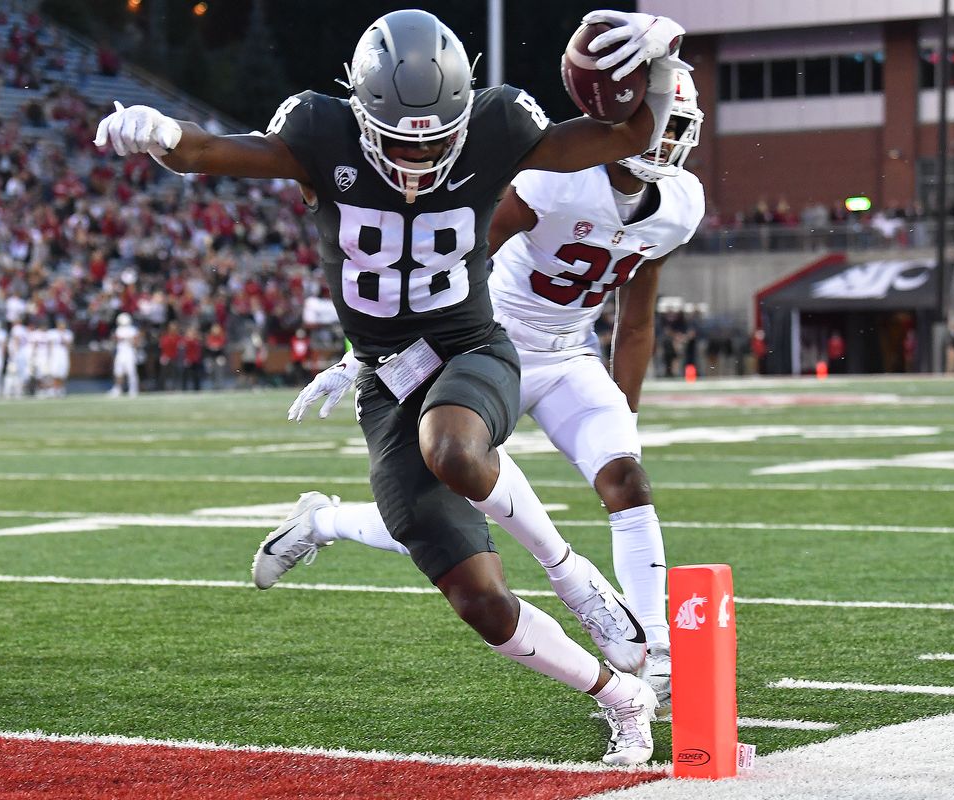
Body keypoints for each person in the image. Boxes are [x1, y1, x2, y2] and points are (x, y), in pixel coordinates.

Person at [95, 8, 686, 765]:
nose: (420, 162)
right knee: (481, 603)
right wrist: (159, 132)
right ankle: (622, 696)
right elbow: (205, 150)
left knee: (454, 447)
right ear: (362, 112)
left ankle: (577, 583)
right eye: (404, 144)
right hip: (387, 377)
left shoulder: (500, 123)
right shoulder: (319, 130)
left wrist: (663, 57)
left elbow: (632, 137)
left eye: (439, 141)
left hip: (472, 346)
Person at [286, 71, 706, 720]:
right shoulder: (560, 177)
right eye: (659, 121)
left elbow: (639, 317)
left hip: (568, 355)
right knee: (445, 516)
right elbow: (459, 254)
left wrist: (625, 408)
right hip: (485, 341)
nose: (664, 140)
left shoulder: (681, 204)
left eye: (676, 126)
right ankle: (326, 520)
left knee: (627, 480)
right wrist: (367, 350)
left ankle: (658, 655)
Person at [111, 312, 140, 397]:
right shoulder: (118, 330)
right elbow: (115, 341)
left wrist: (128, 340)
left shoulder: (133, 330)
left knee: (131, 372)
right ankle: (117, 389)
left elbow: (136, 343)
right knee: (118, 371)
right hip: (120, 352)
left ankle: (133, 389)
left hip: (129, 353)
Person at [48, 318, 74, 396]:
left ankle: (61, 388)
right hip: (55, 355)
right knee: (54, 372)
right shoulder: (52, 333)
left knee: (62, 373)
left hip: (63, 355)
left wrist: (63, 338)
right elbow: (50, 345)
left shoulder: (68, 333)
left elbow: (70, 346)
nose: (62, 325)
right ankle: (54, 388)